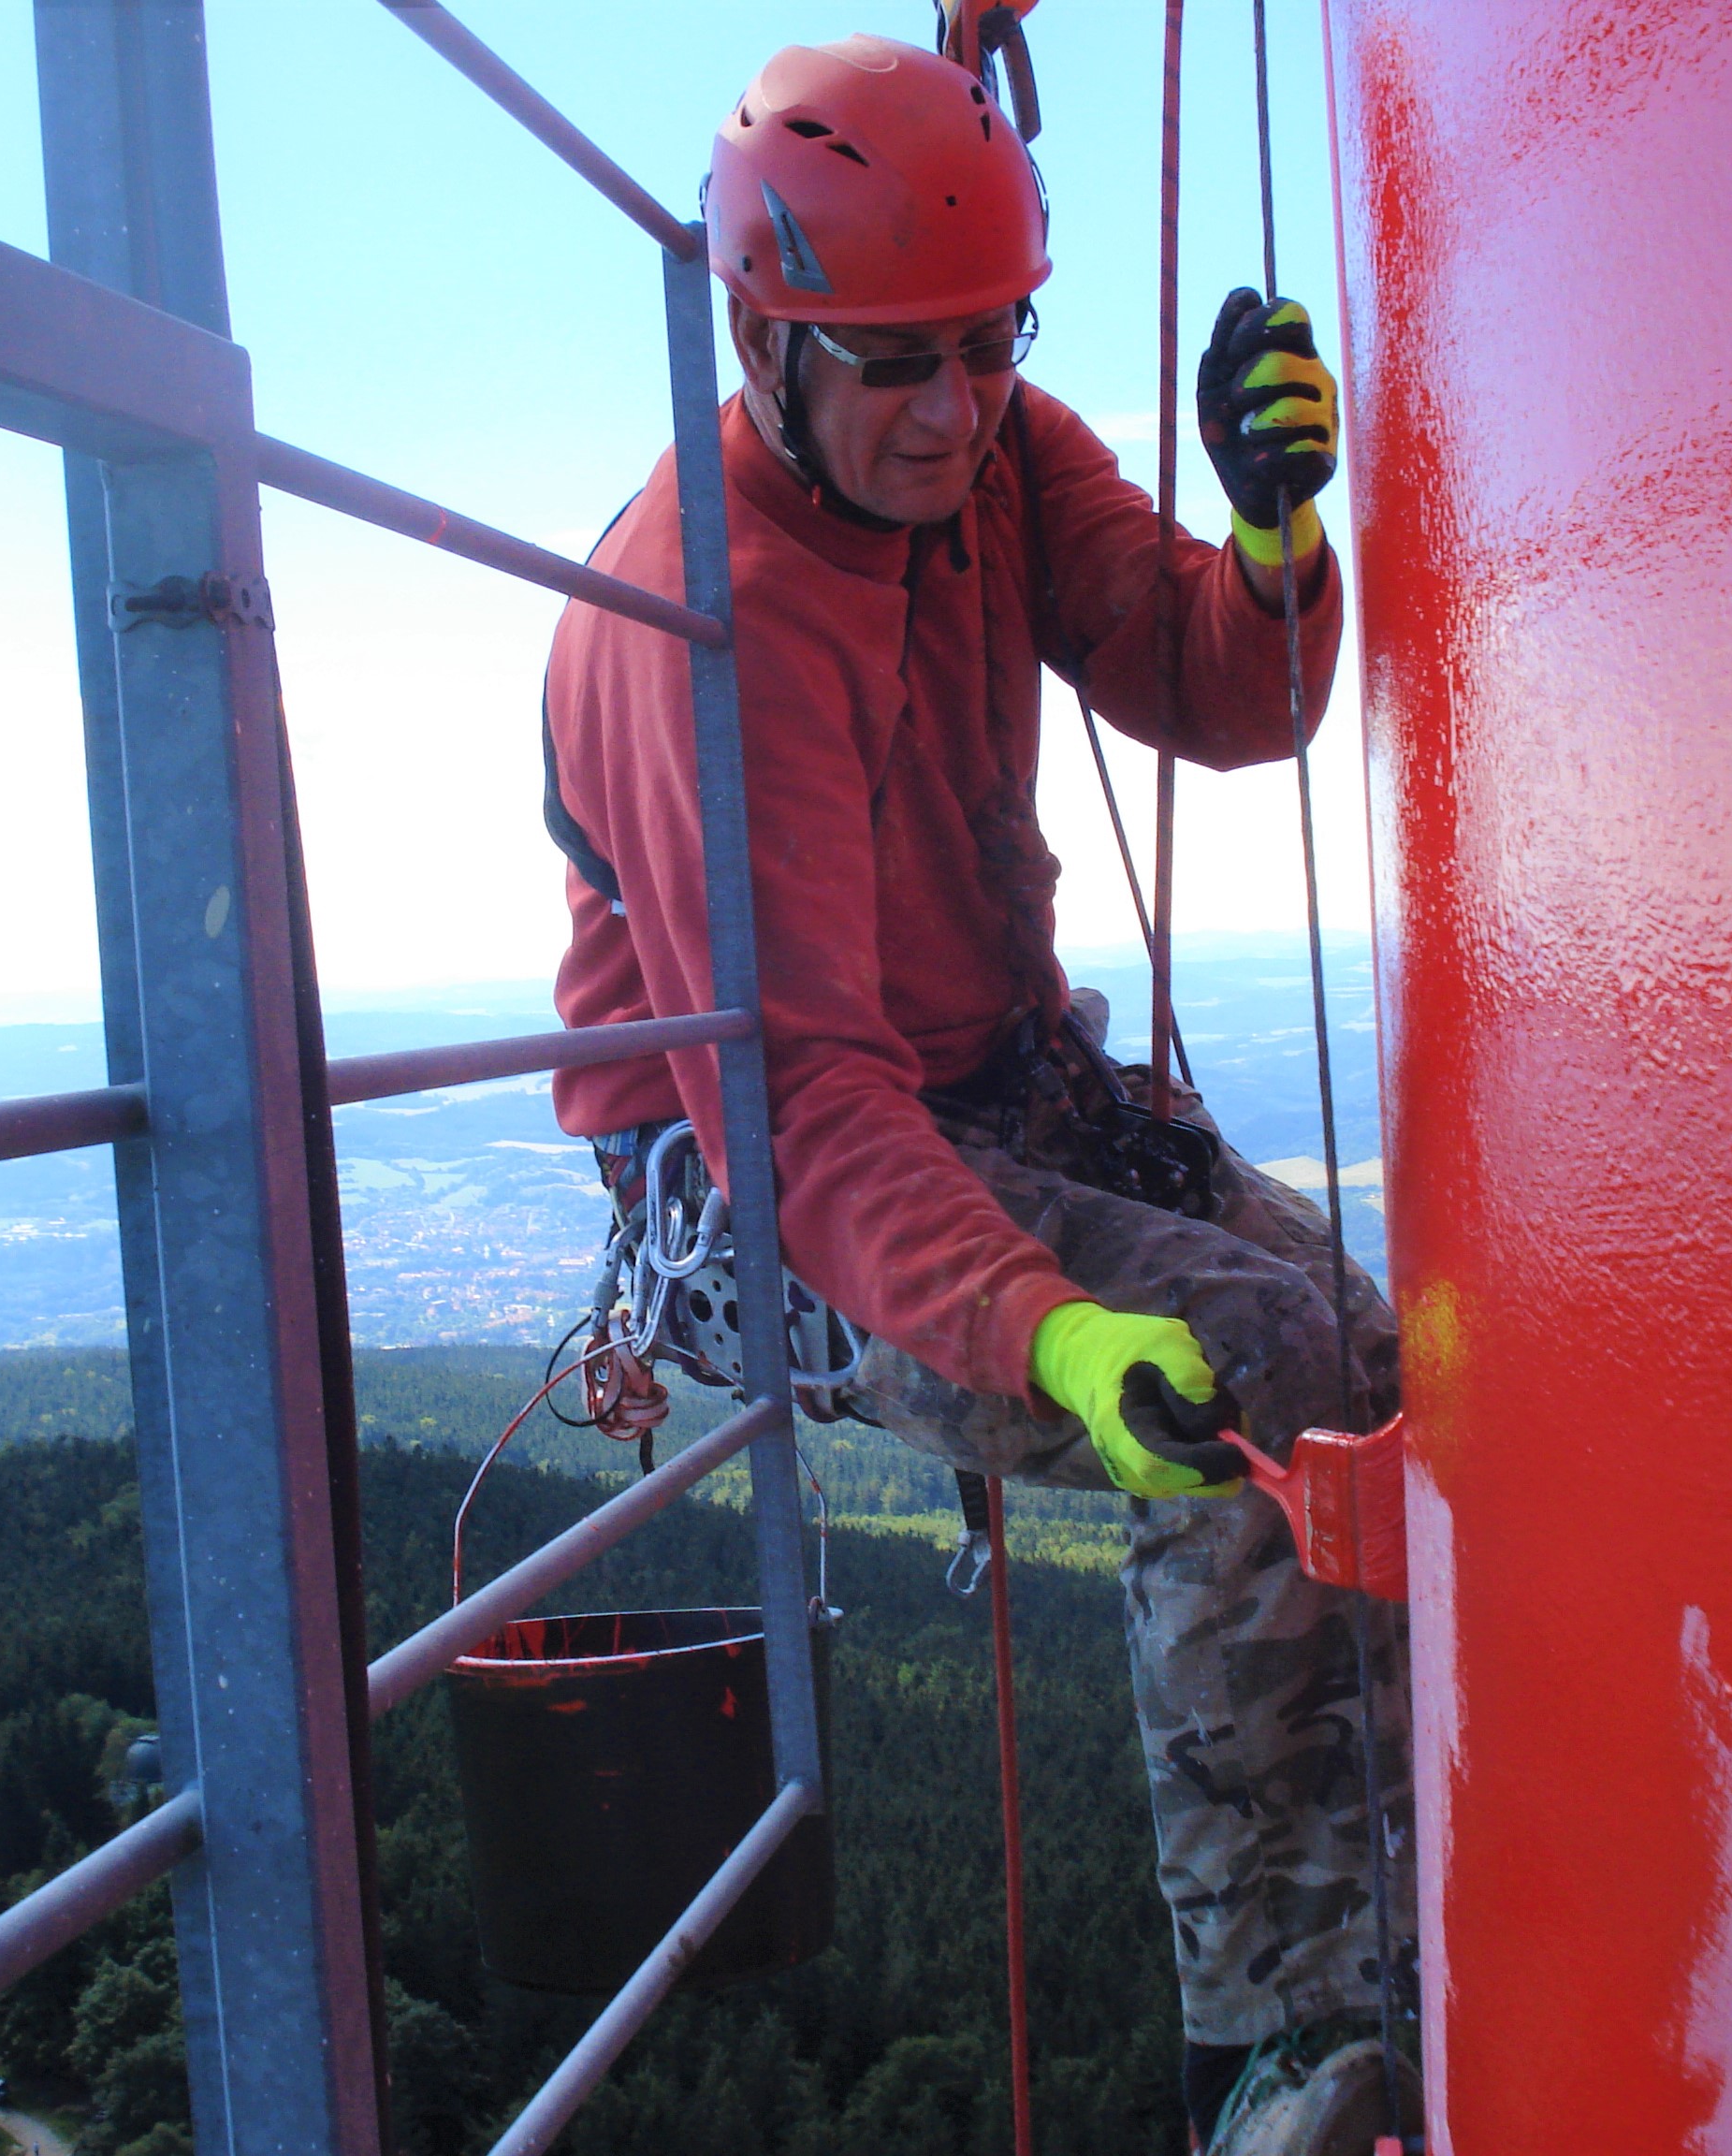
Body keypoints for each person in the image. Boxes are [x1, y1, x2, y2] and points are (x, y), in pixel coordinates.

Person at [541, 33, 1411, 2152]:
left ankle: (1403, 1936)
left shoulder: (996, 447)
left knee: (1385, 1364)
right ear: (765, 338)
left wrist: (1278, 538)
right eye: (894, 363)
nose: (950, 410)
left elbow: (1207, 686)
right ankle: (1275, 2056)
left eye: (988, 345)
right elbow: (808, 1114)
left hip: (993, 1083)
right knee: (1252, 1369)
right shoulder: (702, 619)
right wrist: (1055, 1323)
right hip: (751, 1187)